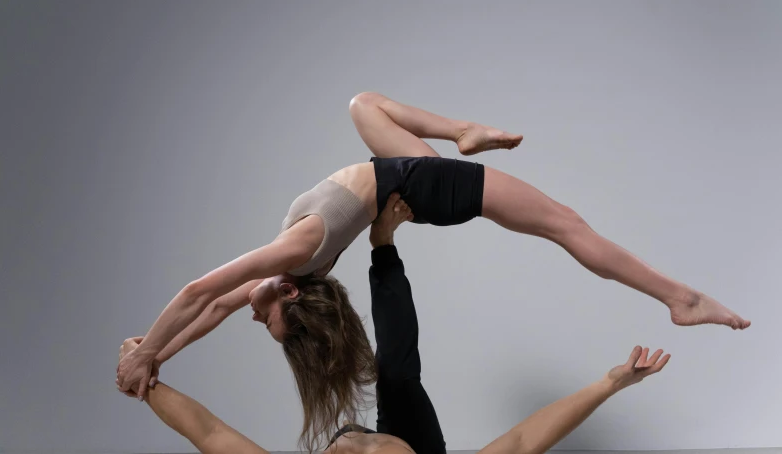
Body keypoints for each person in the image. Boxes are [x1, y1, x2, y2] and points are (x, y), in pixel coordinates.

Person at [117, 92, 747, 432]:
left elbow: (207, 296)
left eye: (266, 323)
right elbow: (210, 301)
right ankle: (679, 299)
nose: (254, 319)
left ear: (285, 297)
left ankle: (463, 131)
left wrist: (153, 353)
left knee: (363, 106)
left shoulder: (292, 258)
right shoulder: (294, 266)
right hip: (416, 185)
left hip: (408, 175)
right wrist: (153, 354)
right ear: (290, 298)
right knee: (564, 224)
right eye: (272, 328)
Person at [117, 199, 671, 454]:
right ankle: (384, 248)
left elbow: (208, 434)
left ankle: (359, 264)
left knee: (386, 374)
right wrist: (610, 383)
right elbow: (524, 440)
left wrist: (147, 380)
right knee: (398, 377)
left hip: (368, 429)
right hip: (415, 441)